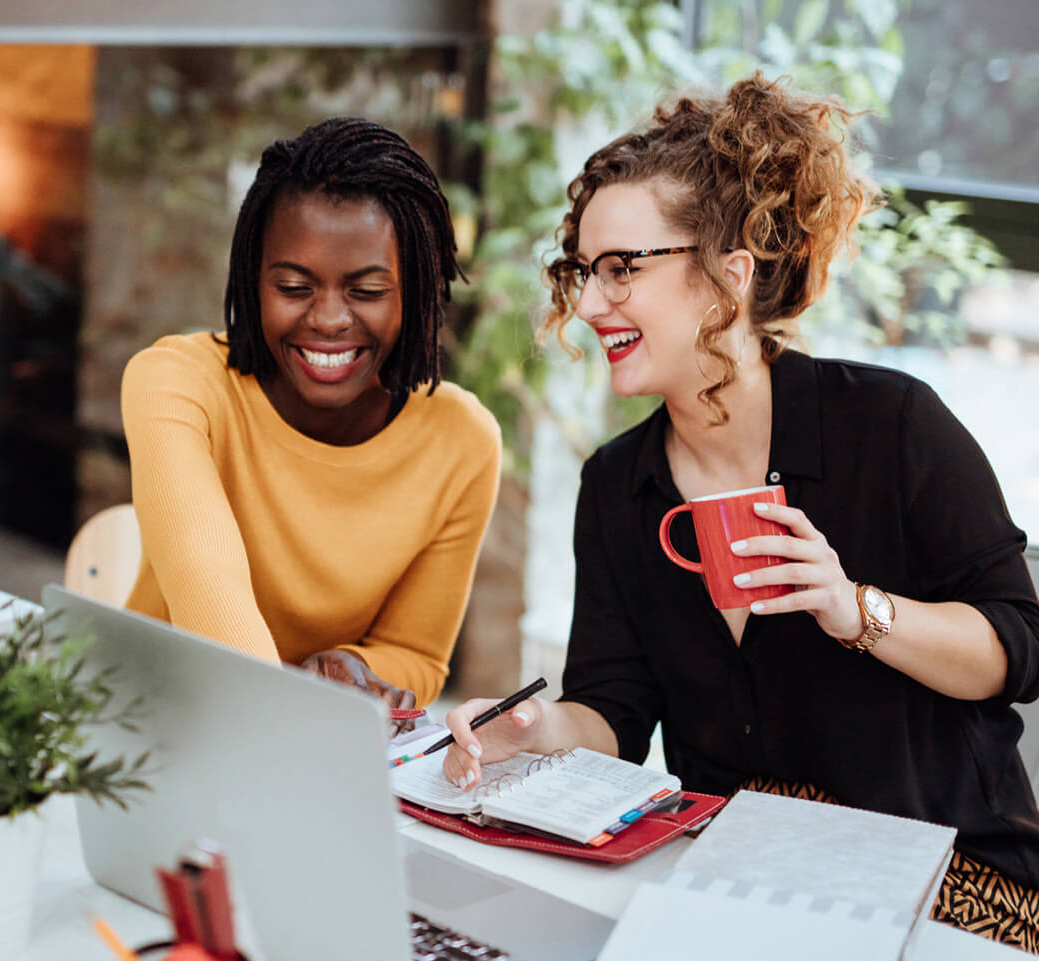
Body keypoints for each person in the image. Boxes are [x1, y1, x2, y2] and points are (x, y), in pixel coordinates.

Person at [440, 74, 1039, 950]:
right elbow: (615, 710)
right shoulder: (617, 484)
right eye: (585, 271)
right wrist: (527, 732)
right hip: (746, 879)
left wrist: (854, 609)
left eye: (622, 269)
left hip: (948, 881)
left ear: (731, 273)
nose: (593, 301)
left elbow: (1017, 651)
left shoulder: (893, 425)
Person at [120, 116, 502, 720]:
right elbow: (208, 590)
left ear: (418, 292)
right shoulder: (176, 384)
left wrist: (356, 669)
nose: (327, 320)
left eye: (368, 291)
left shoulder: (462, 442)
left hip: (315, 746)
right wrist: (293, 699)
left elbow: (414, 655)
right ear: (253, 281)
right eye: (294, 286)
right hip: (155, 725)